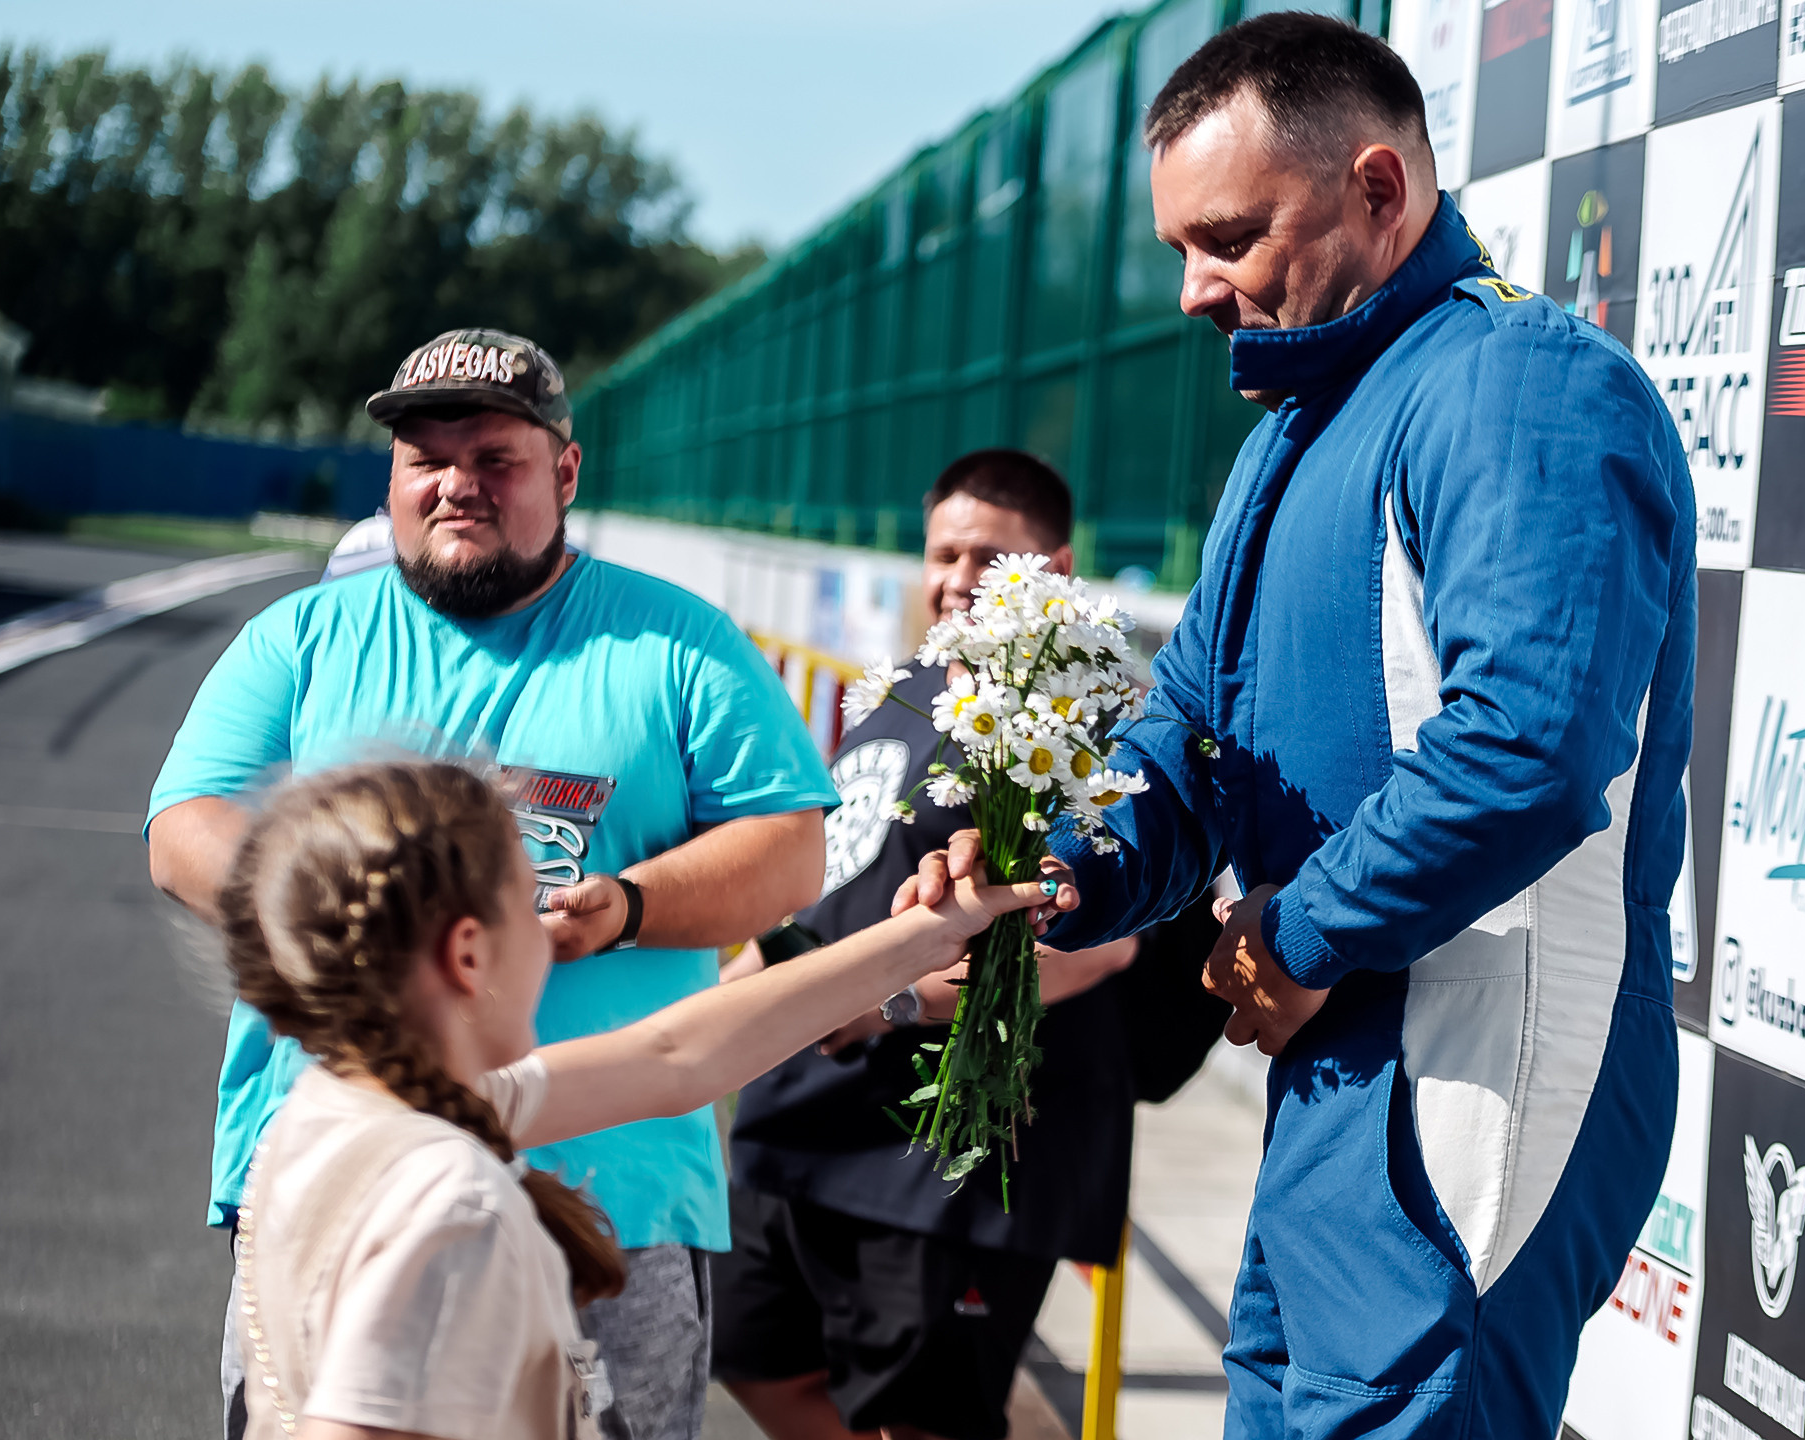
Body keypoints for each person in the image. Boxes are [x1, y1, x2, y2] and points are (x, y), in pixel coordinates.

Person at [914, 16, 1696, 1438]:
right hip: (1334, 1058)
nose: (1193, 290)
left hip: (1474, 1058)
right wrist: (1053, 874)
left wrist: (1295, 932)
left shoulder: (1521, 381)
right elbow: (1188, 736)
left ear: (1380, 191)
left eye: (1227, 238)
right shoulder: (1292, 428)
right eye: (1178, 249)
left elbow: (1529, 742)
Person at [147, 327, 836, 1440]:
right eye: (427, 456)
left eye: (495, 459)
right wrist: (355, 914)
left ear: (564, 472)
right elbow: (183, 828)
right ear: (392, 476)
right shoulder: (303, 638)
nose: (457, 484)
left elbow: (789, 851)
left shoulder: (681, 646)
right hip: (344, 1164)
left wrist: (633, 907)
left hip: (618, 1202)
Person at [221, 761, 1074, 1440]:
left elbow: (676, 1055)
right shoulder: (450, 1198)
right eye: (534, 900)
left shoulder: (345, 1113)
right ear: (469, 954)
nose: (552, 927)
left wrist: (921, 936)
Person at [711, 449, 1228, 1440]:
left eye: (990, 559)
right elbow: (838, 888)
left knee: (924, 1417)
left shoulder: (1088, 730)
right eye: (942, 552)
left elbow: (1097, 944)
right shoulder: (902, 693)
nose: (955, 578)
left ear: (1055, 569)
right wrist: (724, 1003)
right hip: (803, 1128)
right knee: (745, 1348)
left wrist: (887, 1004)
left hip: (957, 1160)